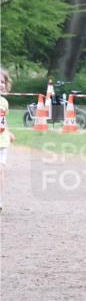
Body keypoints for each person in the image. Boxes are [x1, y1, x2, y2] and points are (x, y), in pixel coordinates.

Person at [0, 68, 15, 212]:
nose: (0, 84)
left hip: (2, 142)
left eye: (2, 82)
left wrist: (9, 132)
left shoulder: (4, 102)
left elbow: (4, 120)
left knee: (0, 171)